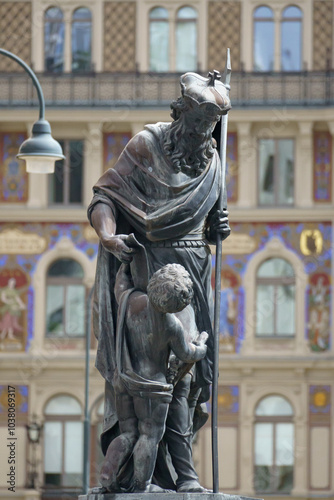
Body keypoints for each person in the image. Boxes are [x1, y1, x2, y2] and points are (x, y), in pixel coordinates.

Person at [88, 70, 231, 491]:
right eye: (196, 125)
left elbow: (211, 222)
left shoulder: (214, 158)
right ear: (179, 114)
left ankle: (185, 478)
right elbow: (104, 197)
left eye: (210, 128)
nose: (202, 136)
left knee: (187, 381)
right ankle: (148, 479)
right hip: (151, 276)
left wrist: (218, 229)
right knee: (160, 376)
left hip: (194, 280)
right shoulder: (145, 146)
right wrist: (108, 236)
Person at [99, 262, 207, 492]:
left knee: (128, 432)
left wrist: (124, 267)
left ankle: (107, 474)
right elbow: (188, 353)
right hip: (152, 388)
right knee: (149, 436)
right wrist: (202, 346)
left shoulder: (132, 302)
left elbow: (120, 287)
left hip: (124, 379)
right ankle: (143, 485)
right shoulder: (172, 325)